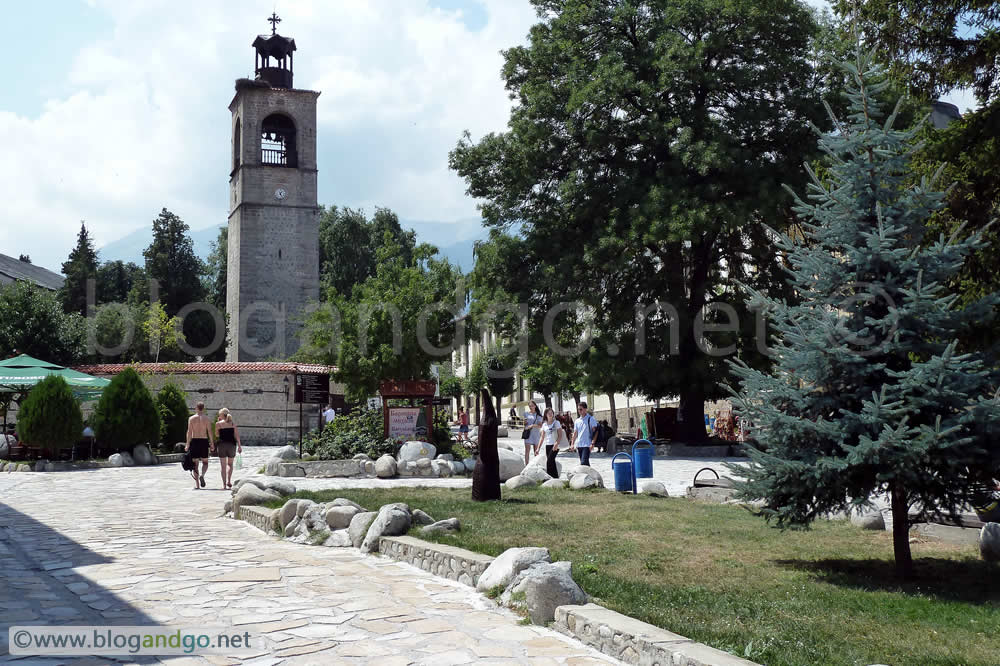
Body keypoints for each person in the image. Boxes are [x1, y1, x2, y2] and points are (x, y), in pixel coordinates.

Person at [185, 402, 215, 489]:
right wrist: (212, 443)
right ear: (203, 408)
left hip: (195, 441)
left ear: (196, 408)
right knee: (205, 462)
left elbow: (189, 432)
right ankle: (202, 475)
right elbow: (210, 432)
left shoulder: (191, 418)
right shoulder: (207, 419)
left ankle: (197, 485)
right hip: (204, 441)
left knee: (195, 464)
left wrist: (187, 444)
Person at [215, 408, 242, 490]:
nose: (219, 416)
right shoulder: (233, 423)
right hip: (232, 445)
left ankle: (224, 485)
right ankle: (229, 481)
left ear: (222, 415)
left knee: (223, 466)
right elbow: (237, 435)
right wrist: (240, 446)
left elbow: (216, 435)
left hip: (222, 445)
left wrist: (218, 422)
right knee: (230, 464)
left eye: (219, 414)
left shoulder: (218, 424)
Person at [571, 402, 598, 466]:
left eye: (581, 409)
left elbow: (596, 432)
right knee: (584, 463)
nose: (579, 411)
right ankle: (589, 475)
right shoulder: (577, 421)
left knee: (584, 462)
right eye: (578, 409)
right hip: (579, 444)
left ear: (585, 409)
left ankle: (587, 474)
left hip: (587, 444)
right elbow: (575, 433)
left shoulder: (591, 419)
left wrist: (592, 443)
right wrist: (572, 444)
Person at [539, 408, 563, 478]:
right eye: (548, 413)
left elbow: (560, 435)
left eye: (551, 413)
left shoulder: (556, 423)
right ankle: (555, 477)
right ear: (545, 415)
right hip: (548, 445)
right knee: (551, 461)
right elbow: (542, 437)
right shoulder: (544, 425)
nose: (550, 414)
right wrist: (538, 448)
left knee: (549, 461)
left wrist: (557, 443)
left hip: (555, 445)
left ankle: (550, 477)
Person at [523, 400, 543, 465]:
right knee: (527, 451)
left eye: (532, 406)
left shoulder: (538, 415)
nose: (531, 407)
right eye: (529, 406)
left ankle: (535, 465)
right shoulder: (526, 413)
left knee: (536, 451)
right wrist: (525, 422)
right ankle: (526, 465)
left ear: (535, 406)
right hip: (528, 434)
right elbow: (525, 424)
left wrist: (533, 425)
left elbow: (540, 425)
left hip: (536, 434)